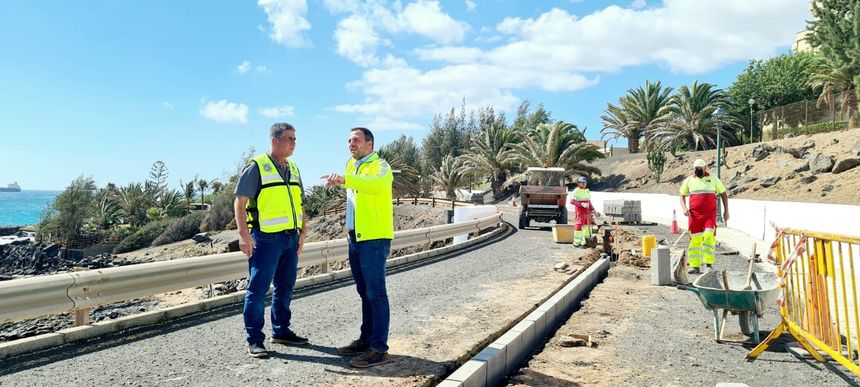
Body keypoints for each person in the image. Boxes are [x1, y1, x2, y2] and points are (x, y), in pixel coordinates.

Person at [233, 122, 308, 358]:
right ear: (275, 141)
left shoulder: (293, 168)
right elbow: (240, 202)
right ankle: (255, 340)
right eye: (289, 139)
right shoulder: (256, 166)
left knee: (285, 287)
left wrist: (303, 233)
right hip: (265, 240)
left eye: (295, 139)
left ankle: (281, 331)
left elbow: (300, 203)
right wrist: (243, 235)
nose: (294, 143)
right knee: (258, 289)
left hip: (290, 238)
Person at [322, 127, 394, 368]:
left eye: (356, 140)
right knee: (364, 292)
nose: (351, 144)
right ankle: (366, 341)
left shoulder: (380, 165)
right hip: (355, 238)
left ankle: (379, 349)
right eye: (349, 141)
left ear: (370, 144)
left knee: (376, 293)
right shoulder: (351, 166)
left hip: (374, 239)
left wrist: (345, 179)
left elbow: (376, 185)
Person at [679, 158, 729, 275]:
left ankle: (708, 264)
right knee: (695, 240)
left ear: (705, 168)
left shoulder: (713, 179)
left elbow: (724, 194)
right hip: (694, 216)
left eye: (700, 168)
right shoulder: (689, 180)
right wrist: (684, 208)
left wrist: (726, 211)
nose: (698, 170)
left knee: (708, 237)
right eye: (696, 168)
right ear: (693, 168)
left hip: (709, 215)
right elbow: (682, 195)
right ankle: (694, 266)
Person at [569, 176, 593, 247]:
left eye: (584, 183)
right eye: (582, 183)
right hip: (580, 210)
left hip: (587, 210)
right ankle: (577, 242)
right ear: (578, 183)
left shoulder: (587, 191)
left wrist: (593, 210)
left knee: (586, 225)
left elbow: (589, 201)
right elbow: (572, 201)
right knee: (579, 224)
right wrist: (581, 204)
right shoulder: (576, 191)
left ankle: (585, 242)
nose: (583, 184)